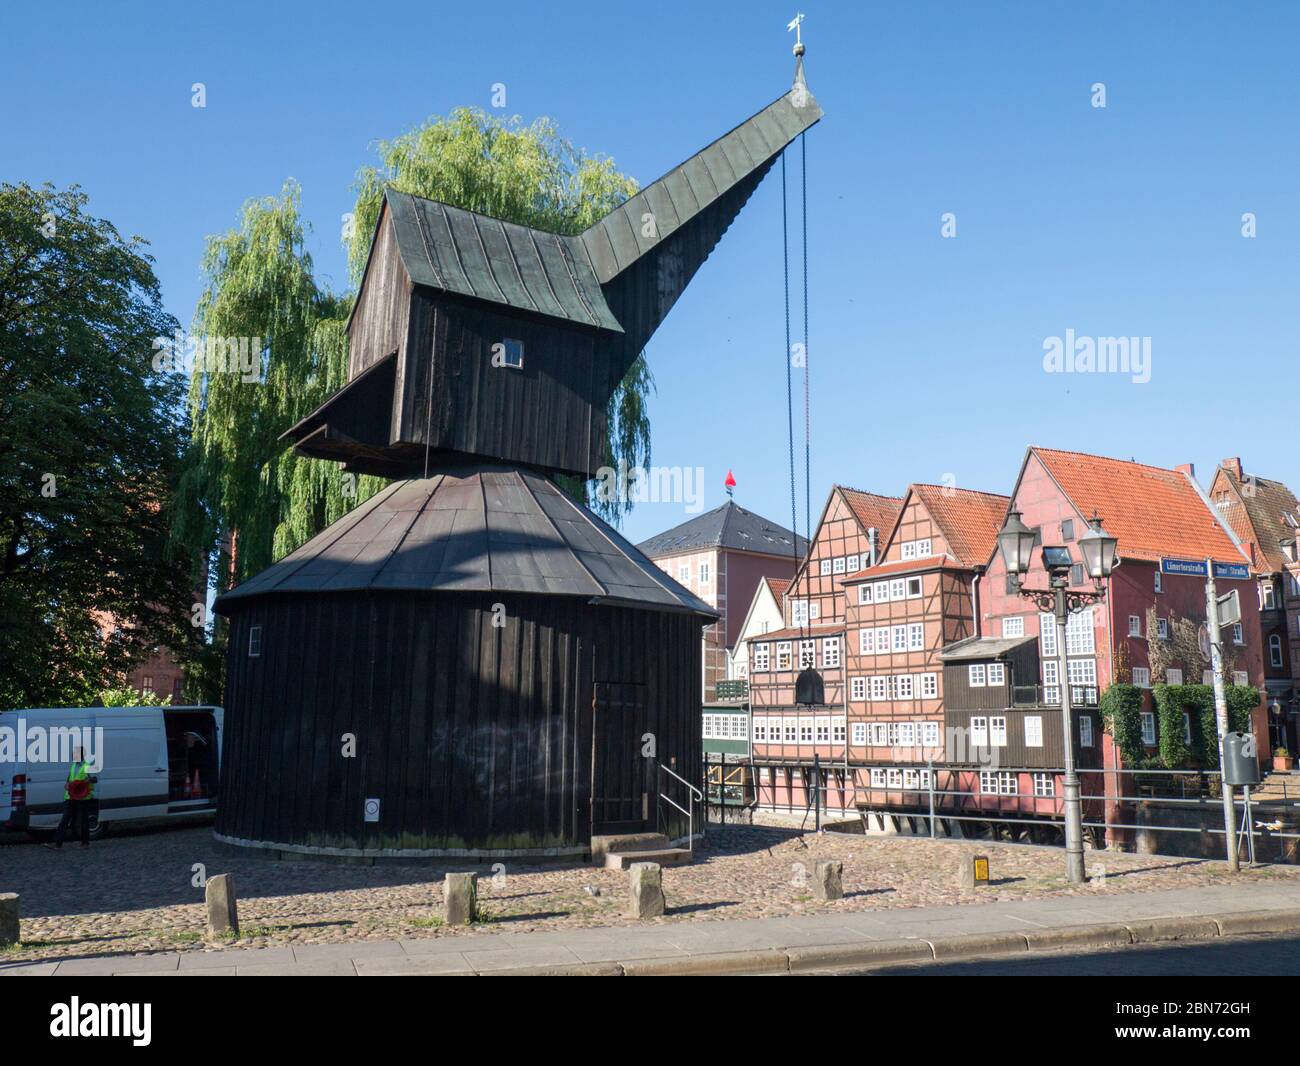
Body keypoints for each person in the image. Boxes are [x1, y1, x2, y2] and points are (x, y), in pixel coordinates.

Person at [45, 747, 98, 849]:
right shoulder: (73, 765)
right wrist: (67, 784)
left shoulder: (88, 766)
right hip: (70, 797)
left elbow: (95, 779)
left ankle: (85, 843)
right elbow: (69, 777)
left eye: (75, 754)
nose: (73, 756)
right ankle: (57, 844)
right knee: (64, 820)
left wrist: (87, 781)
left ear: (82, 755)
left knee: (83, 821)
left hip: (83, 798)